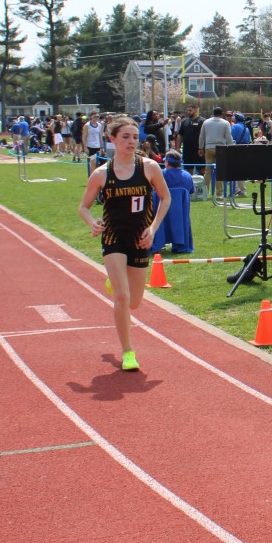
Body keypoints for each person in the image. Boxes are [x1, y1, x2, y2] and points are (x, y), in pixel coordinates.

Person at [78, 115, 170, 372]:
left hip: (140, 238)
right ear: (113, 140)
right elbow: (83, 207)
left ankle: (116, 281)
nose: (131, 142)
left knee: (135, 301)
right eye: (125, 137)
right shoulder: (101, 174)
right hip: (113, 237)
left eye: (135, 137)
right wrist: (92, 222)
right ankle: (128, 351)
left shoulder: (149, 167)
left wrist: (153, 228)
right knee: (122, 295)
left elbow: (166, 198)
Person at [198, 106, 233, 201]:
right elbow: (228, 137)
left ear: (213, 113)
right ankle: (219, 193)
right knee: (220, 170)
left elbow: (201, 136)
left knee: (207, 170)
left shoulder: (206, 122)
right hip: (221, 148)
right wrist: (231, 147)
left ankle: (205, 192)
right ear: (221, 114)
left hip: (209, 147)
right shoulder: (225, 123)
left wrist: (200, 147)